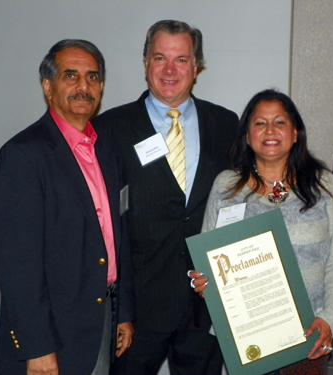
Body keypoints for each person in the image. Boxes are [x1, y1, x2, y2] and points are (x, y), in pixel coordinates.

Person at [92, 20, 238, 375]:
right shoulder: (110, 128)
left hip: (206, 306)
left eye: (182, 59)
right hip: (136, 307)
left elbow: (239, 204)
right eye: (160, 58)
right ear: (145, 64)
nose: (170, 69)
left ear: (196, 67)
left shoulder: (227, 124)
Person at [0, 39, 135, 375]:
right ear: (47, 86)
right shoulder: (23, 156)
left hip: (102, 317)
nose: (84, 86)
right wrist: (37, 348)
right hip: (52, 333)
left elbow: (117, 235)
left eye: (93, 77)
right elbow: (16, 267)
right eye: (71, 76)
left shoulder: (107, 152)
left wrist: (123, 311)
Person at [189, 89, 333, 375]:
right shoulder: (226, 187)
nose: (269, 130)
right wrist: (203, 282)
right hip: (247, 336)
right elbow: (207, 257)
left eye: (279, 122)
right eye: (259, 122)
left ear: (294, 134)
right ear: (247, 134)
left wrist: (329, 317)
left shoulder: (322, 184)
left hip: (310, 332)